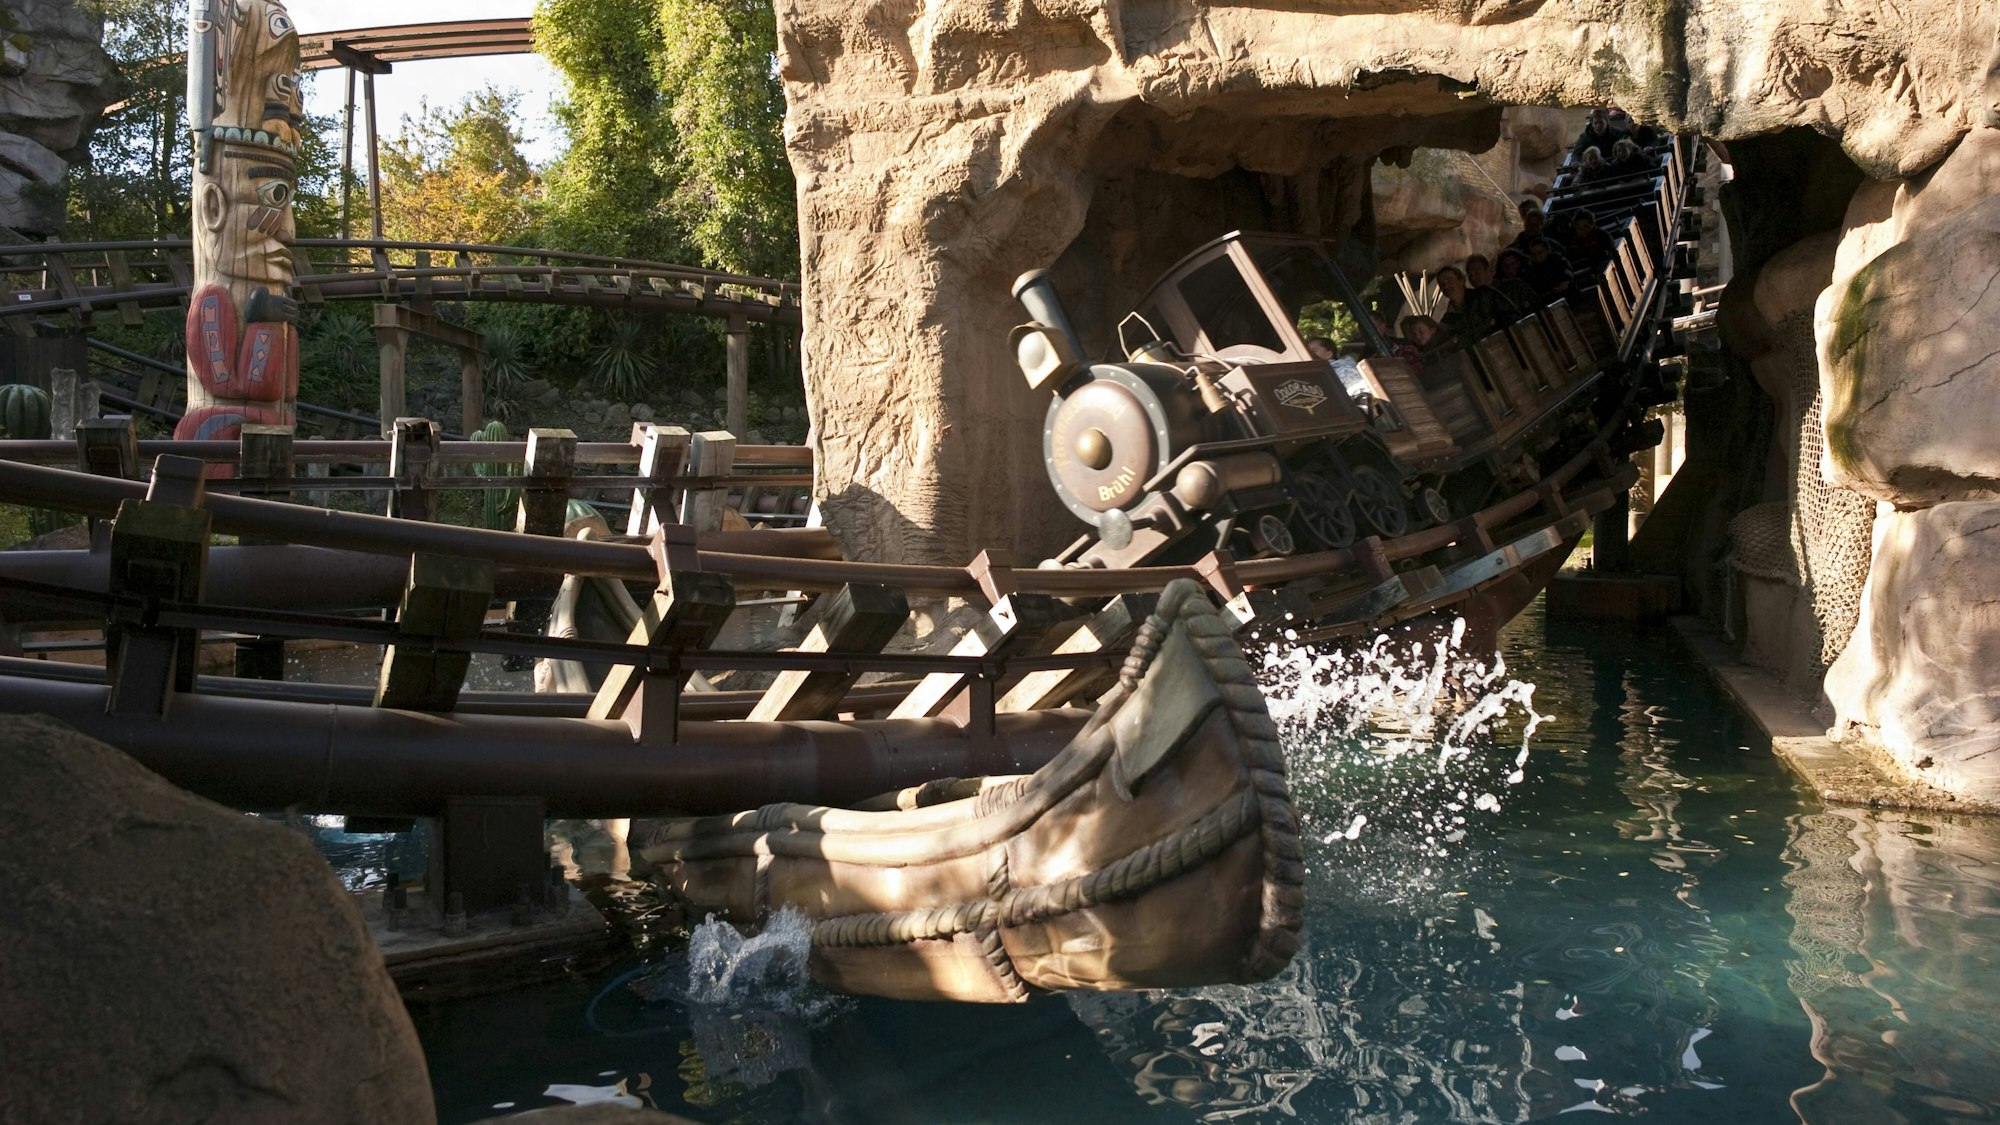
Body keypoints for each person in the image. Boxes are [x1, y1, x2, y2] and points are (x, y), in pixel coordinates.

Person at [1435, 265, 1497, 344]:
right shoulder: (1448, 320)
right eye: (1442, 284)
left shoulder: (1483, 297)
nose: (1446, 286)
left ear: (1461, 280)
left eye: (1449, 281)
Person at [1306, 335, 1371, 396]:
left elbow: (1361, 392)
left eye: (1314, 351)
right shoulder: (1318, 372)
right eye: (1307, 351)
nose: (1309, 354)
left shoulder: (1343, 370)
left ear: (1329, 354)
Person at [1490, 249, 1542, 313]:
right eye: (1505, 266)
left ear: (1518, 263)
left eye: (1512, 264)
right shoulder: (1501, 287)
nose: (1510, 268)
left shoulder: (1531, 276)